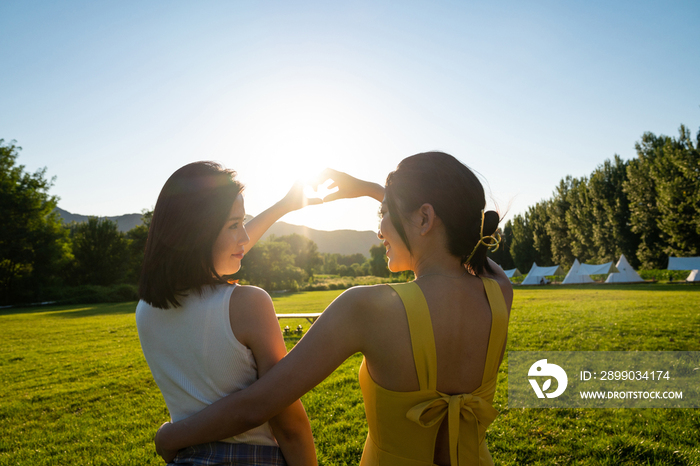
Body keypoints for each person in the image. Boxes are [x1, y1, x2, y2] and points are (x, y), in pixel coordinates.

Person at [155, 152, 514, 466]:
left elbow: (256, 405)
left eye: (384, 214)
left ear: (424, 218)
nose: (379, 231)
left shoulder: (367, 308)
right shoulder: (500, 293)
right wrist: (384, 195)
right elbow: (474, 247)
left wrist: (172, 436)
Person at [136, 161, 319, 466]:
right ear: (198, 232)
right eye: (234, 225)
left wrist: (284, 206)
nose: (245, 238)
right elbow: (289, 426)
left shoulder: (146, 311)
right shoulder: (248, 304)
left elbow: (226, 251)